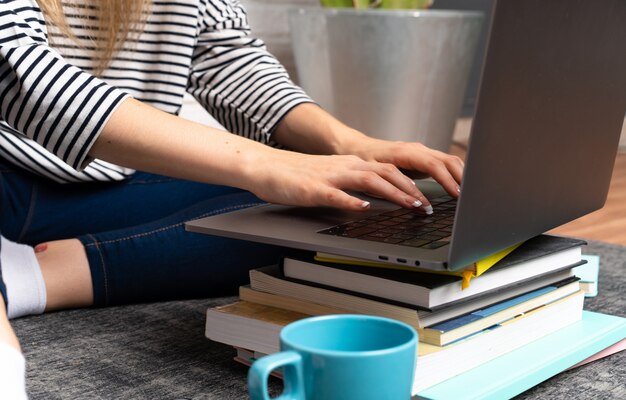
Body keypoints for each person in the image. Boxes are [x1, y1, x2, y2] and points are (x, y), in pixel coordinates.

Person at [0, 0, 463, 393]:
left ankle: (31, 273)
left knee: (343, 209)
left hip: (105, 181)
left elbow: (227, 58)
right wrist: (262, 163)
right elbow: (12, 61)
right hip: (8, 172)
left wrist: (352, 145)